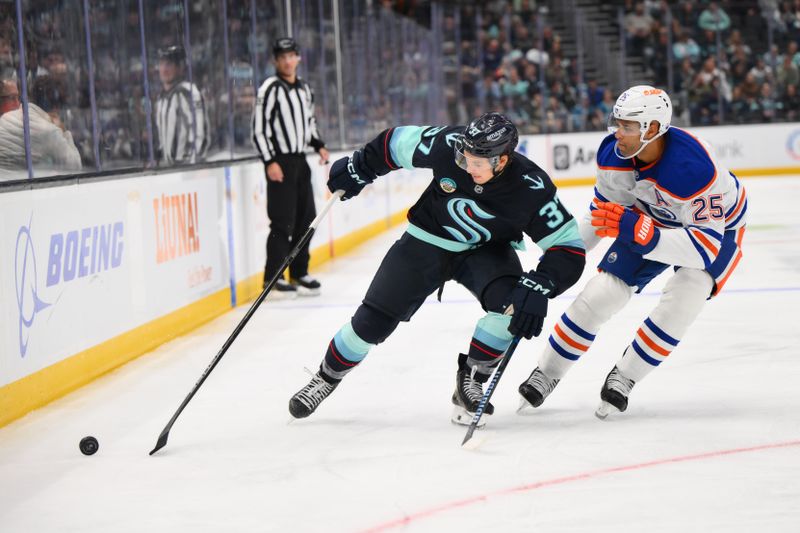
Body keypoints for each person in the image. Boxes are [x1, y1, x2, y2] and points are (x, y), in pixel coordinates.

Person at [288, 112, 586, 425]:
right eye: (464, 160)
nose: (468, 169)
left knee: (513, 307)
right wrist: (360, 167)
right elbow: (395, 143)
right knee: (371, 322)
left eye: (478, 164)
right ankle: (325, 377)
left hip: (487, 251)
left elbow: (568, 247)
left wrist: (542, 284)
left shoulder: (531, 186)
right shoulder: (450, 143)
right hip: (424, 242)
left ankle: (470, 380)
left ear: (502, 160)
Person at [518, 86, 748, 419]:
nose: (618, 133)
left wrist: (645, 234)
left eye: (627, 126)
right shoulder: (613, 156)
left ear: (653, 129)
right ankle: (547, 372)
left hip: (718, 229)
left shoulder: (696, 168)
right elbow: (598, 218)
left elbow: (702, 251)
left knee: (688, 294)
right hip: (652, 216)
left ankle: (626, 376)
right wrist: (552, 266)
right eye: (618, 124)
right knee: (601, 293)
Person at [252, 37, 330, 298]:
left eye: (291, 55)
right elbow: (259, 130)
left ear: (298, 58)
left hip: (300, 161)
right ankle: (273, 279)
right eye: (282, 56)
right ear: (276, 61)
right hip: (280, 162)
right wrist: (269, 161)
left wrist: (318, 144)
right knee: (282, 221)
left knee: (306, 219)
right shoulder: (269, 89)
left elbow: (310, 123)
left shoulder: (305, 90)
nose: (287, 61)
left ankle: (299, 272)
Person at [0, 75, 82, 174]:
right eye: (12, 98)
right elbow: (76, 166)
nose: (17, 103)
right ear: (56, 106)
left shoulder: (7, 117)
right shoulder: (49, 131)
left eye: (18, 97)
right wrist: (64, 132)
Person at [154, 45, 208, 165]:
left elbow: (199, 133)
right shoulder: (161, 99)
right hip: (169, 169)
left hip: (186, 168)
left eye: (169, 64)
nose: (164, 69)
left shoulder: (188, 93)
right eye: (161, 64)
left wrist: (193, 164)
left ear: (180, 68)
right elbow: (162, 139)